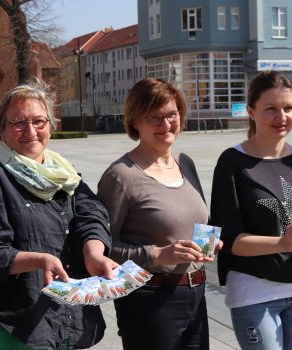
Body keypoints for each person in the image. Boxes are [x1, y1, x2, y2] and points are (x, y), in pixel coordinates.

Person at [0, 80, 118, 349]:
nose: (30, 131)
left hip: (65, 319)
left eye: (39, 121)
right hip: (11, 326)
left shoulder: (64, 173)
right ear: (2, 131)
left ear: (51, 127)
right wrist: (38, 260)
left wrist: (94, 252)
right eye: (18, 122)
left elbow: (91, 213)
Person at [210, 70, 292, 350]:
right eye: (270, 109)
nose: (281, 117)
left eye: (288, 108)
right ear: (251, 111)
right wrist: (281, 243)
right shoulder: (233, 162)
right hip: (255, 292)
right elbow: (229, 241)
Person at [97, 78, 217, 350]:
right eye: (154, 117)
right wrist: (157, 254)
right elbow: (101, 250)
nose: (166, 124)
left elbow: (194, 221)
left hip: (196, 293)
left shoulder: (184, 163)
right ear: (135, 121)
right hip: (149, 300)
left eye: (172, 114)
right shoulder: (121, 177)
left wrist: (210, 242)